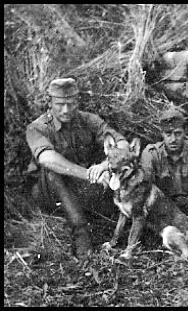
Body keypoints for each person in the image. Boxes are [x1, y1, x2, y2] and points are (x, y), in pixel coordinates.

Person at [26, 78, 127, 259]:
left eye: (71, 104)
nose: (66, 110)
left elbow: (122, 143)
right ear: (49, 103)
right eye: (60, 104)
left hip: (80, 189)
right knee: (52, 171)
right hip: (49, 194)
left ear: (77, 102)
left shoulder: (88, 120)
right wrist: (88, 174)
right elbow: (47, 159)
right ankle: (81, 235)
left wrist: (105, 166)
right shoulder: (37, 128)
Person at [140, 108, 188, 226]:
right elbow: (144, 183)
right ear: (162, 133)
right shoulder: (152, 153)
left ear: (185, 131)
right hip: (165, 209)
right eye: (168, 134)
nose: (173, 139)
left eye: (178, 133)